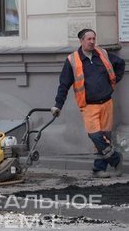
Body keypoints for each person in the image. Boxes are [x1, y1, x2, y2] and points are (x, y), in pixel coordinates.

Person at [51, 28, 125, 178]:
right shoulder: (72, 60)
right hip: (89, 106)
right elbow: (64, 85)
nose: (92, 42)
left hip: (107, 103)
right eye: (89, 39)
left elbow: (120, 63)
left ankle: (99, 169)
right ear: (81, 41)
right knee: (96, 137)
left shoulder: (102, 54)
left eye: (93, 39)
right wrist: (58, 105)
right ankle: (116, 159)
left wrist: (112, 82)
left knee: (105, 138)